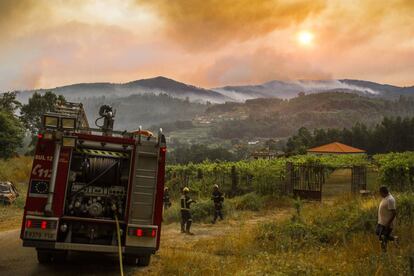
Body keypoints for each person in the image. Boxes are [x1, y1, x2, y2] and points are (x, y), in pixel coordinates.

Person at [376, 186, 397, 252]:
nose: (380, 194)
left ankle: (384, 253)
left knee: (383, 238)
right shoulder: (385, 198)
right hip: (381, 222)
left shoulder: (390, 199)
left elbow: (394, 213)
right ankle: (394, 238)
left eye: (380, 193)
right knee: (377, 232)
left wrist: (388, 224)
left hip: (386, 223)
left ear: (383, 192)